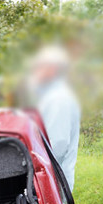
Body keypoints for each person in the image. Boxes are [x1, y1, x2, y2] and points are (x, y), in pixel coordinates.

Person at [31, 45, 80, 192]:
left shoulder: (59, 98)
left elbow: (57, 145)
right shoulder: (50, 96)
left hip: (52, 186)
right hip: (47, 181)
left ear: (52, 69)